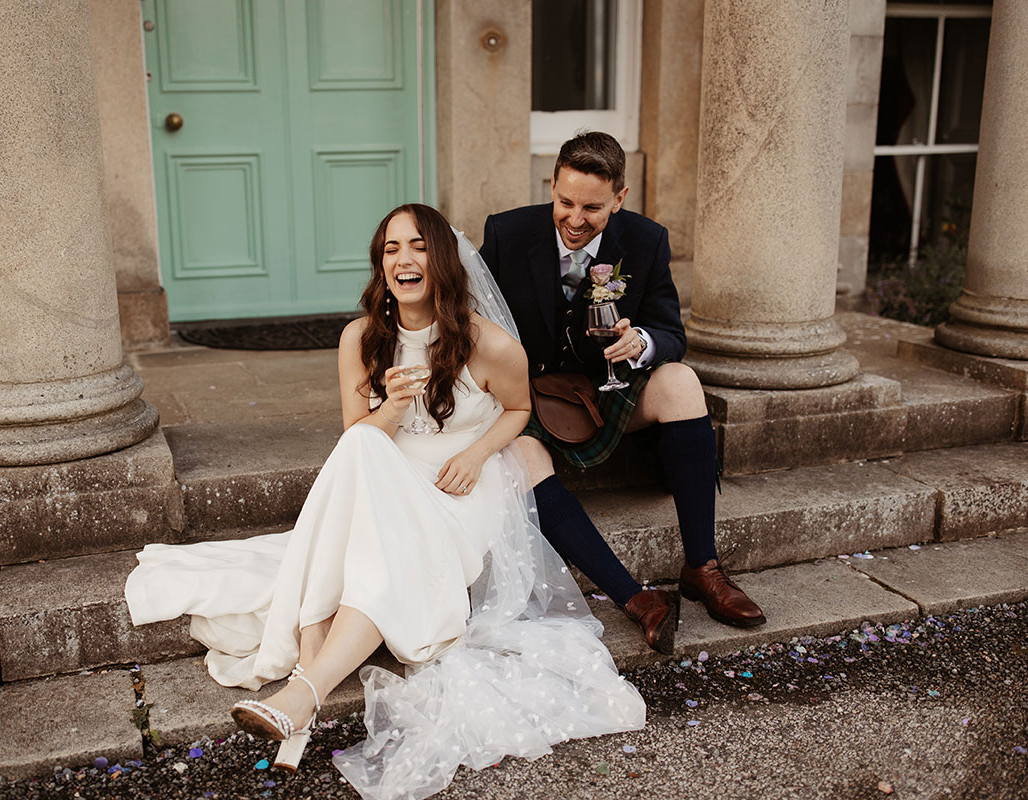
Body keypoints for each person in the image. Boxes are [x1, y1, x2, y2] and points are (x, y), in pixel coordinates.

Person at [124, 203, 645, 800]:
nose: (403, 259)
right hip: (387, 469)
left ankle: (306, 679)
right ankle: (309, 689)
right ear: (381, 264)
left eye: (418, 246)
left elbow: (521, 411)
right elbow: (358, 433)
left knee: (364, 503)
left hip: (460, 486)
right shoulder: (360, 338)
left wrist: (476, 456)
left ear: (442, 260)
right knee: (362, 450)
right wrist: (393, 408)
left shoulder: (490, 344)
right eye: (391, 248)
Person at [479, 131, 766, 656]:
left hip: (605, 389)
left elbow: (672, 333)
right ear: (553, 186)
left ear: (620, 197)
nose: (573, 218)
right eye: (564, 202)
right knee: (519, 455)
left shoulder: (646, 240)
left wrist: (642, 342)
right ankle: (638, 600)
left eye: (592, 207)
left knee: (681, 381)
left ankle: (703, 568)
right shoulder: (506, 232)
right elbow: (470, 312)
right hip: (530, 395)